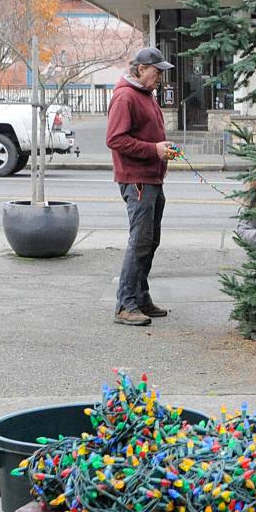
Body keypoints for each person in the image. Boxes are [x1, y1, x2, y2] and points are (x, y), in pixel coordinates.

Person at [107, 47, 176, 326]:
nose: (159, 77)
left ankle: (140, 298)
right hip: (137, 180)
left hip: (151, 178)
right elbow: (115, 139)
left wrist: (161, 150)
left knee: (150, 241)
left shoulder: (145, 94)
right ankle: (125, 304)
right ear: (140, 69)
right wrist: (154, 150)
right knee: (140, 242)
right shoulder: (125, 96)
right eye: (156, 71)